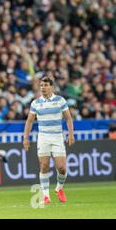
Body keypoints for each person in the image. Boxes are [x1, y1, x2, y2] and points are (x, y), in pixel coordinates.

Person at [23, 76, 75, 205]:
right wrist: (25, 138)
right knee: (44, 166)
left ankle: (59, 188)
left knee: (62, 168)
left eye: (46, 85)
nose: (43, 88)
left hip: (57, 137)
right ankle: (46, 195)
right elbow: (29, 121)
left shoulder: (60, 101)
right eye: (41, 85)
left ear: (52, 87)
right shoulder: (35, 103)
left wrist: (71, 134)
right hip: (43, 138)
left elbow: (68, 118)